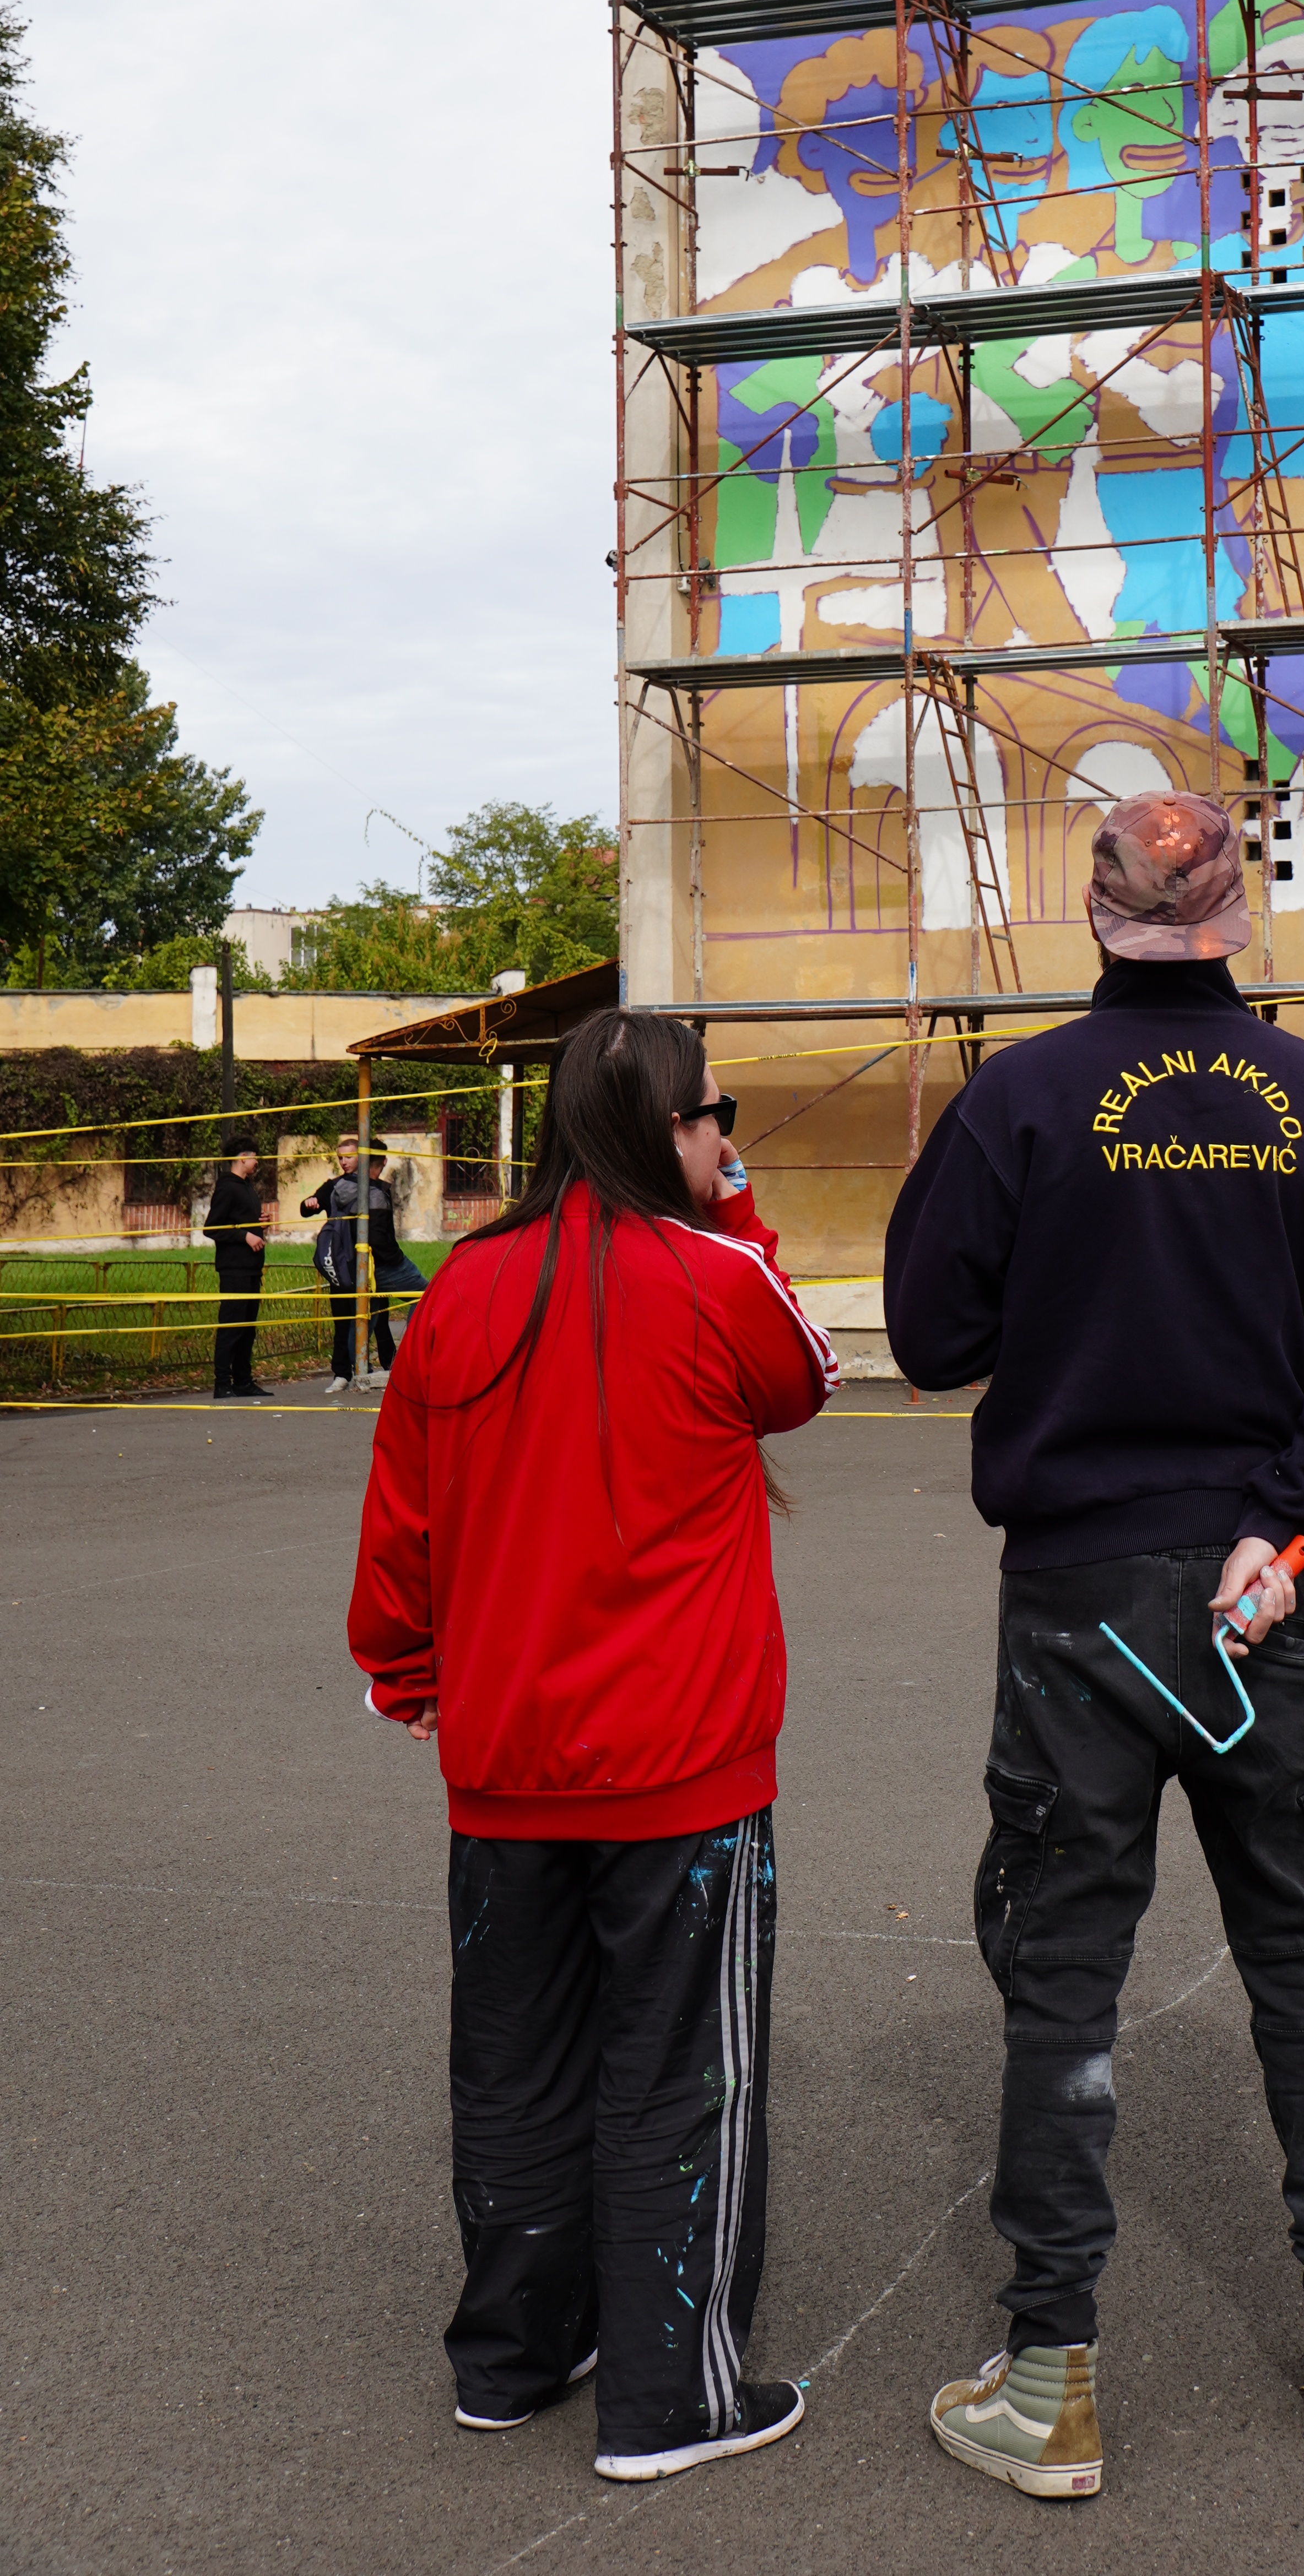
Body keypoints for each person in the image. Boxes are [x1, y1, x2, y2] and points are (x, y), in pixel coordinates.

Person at [884, 789, 1304, 2499]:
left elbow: (927, 1330)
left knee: (1063, 1969)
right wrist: (1288, 1508)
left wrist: (1067, 1283)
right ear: (1242, 912)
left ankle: (1051, 2372)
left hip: (1078, 1596)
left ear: (1092, 909)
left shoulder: (1023, 1095)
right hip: (1253, 1592)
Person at [348, 1010, 837, 2482]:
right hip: (677, 1765)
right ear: (675, 1130)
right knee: (680, 2070)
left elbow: (403, 1510)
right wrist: (735, 1203)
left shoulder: (465, 1291)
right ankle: (672, 2394)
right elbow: (803, 1377)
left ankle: (514, 2350)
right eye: (713, 1117)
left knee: (515, 2063)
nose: (721, 1137)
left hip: (506, 1759)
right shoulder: (712, 1275)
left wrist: (405, 1665)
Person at [302, 1137, 399, 1390]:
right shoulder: (336, 1187)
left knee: (379, 1319)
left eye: (349, 1157)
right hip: (343, 1265)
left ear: (362, 1158)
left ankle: (392, 1368)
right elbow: (308, 1207)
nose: (344, 1162)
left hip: (372, 1267)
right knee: (343, 1320)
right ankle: (343, 1374)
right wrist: (310, 1203)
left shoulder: (377, 1188)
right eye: (340, 1158)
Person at [204, 1137, 272, 1401]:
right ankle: (223, 1383)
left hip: (253, 1267)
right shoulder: (227, 1188)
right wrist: (246, 1236)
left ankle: (243, 1380)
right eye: (254, 1157)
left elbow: (240, 1221)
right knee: (232, 1326)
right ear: (242, 1158)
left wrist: (258, 1223)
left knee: (247, 1327)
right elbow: (213, 1227)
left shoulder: (246, 1187)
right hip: (234, 1269)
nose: (257, 1162)